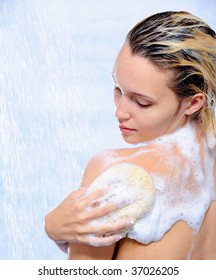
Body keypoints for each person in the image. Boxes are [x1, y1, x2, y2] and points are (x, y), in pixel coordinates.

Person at [45, 11, 216, 259]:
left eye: (141, 102)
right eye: (118, 89)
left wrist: (52, 227)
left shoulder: (116, 173)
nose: (120, 111)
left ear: (192, 103)